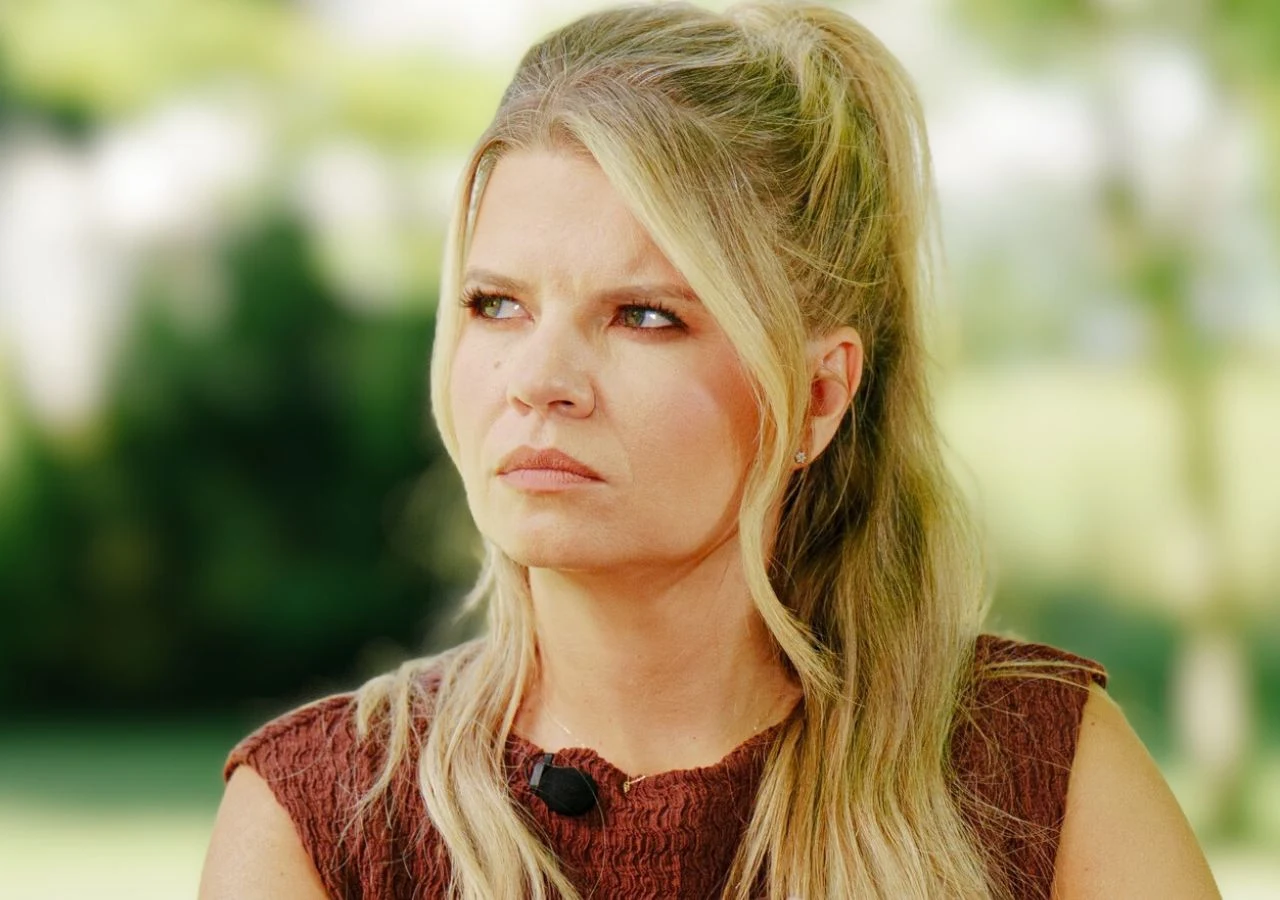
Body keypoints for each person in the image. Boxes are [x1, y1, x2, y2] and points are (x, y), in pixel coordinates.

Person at [199, 2, 1220, 898]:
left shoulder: (1039, 778)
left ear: (816, 397)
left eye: (643, 316)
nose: (538, 378)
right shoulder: (326, 820)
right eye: (496, 304)